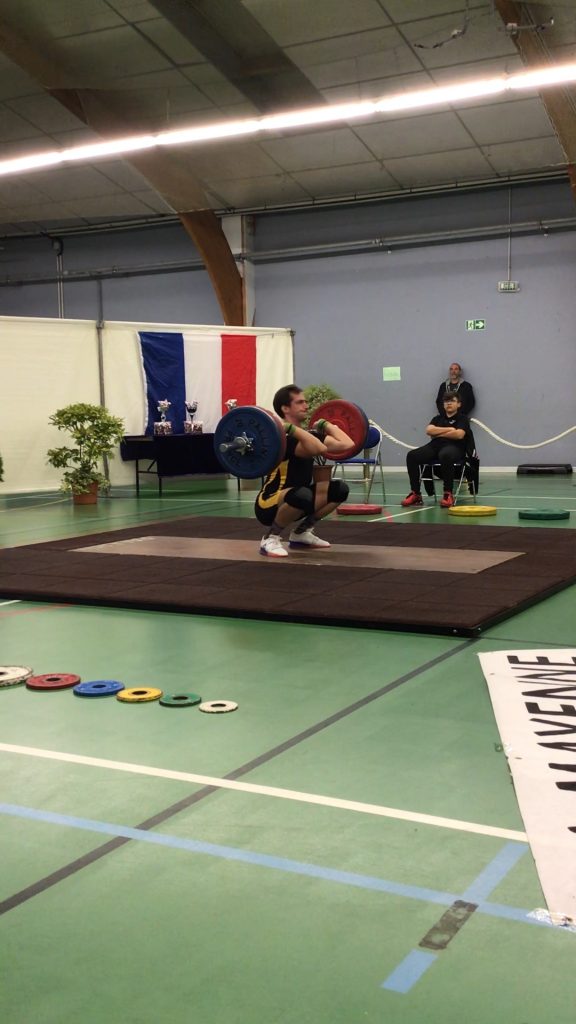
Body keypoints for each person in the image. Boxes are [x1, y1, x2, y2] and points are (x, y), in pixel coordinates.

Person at [255, 385, 353, 557]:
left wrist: (326, 425)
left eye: (305, 402)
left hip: (299, 498)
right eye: (300, 402)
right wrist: (290, 428)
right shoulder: (283, 438)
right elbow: (318, 448)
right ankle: (270, 538)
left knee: (339, 490)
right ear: (285, 408)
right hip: (269, 504)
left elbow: (347, 444)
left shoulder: (305, 435)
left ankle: (301, 533)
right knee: (302, 495)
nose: (306, 406)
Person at [401, 392, 471, 509]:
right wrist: (450, 429)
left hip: (454, 447)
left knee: (445, 455)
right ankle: (416, 493)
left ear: (459, 404)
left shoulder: (463, 418)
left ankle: (448, 494)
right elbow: (429, 430)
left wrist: (438, 432)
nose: (448, 403)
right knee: (412, 456)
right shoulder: (437, 418)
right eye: (446, 401)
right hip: (435, 446)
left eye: (452, 401)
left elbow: (459, 435)